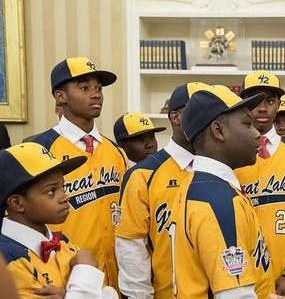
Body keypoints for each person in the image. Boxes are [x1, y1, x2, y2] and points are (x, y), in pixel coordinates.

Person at [31, 56, 128, 291]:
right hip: (65, 282)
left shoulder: (115, 151)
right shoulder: (39, 150)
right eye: (84, 88)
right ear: (60, 96)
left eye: (98, 88)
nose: (96, 94)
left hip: (116, 281)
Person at [174, 85, 273, 298]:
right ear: (218, 130)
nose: (258, 134)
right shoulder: (218, 201)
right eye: (247, 124)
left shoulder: (199, 185)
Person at [115, 82, 208, 299]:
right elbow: (132, 248)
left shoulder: (224, 168)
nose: (209, 119)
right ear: (176, 117)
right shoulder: (143, 174)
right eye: (199, 111)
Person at [235, 70, 285, 297]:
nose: (263, 108)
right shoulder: (229, 157)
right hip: (240, 280)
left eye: (270, 101)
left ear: (279, 104)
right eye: (256, 101)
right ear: (243, 103)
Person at [0, 142, 118, 298]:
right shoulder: (7, 259)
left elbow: (111, 295)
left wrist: (67, 295)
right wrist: (85, 269)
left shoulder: (62, 242)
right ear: (17, 203)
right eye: (51, 191)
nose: (65, 197)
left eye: (63, 187)